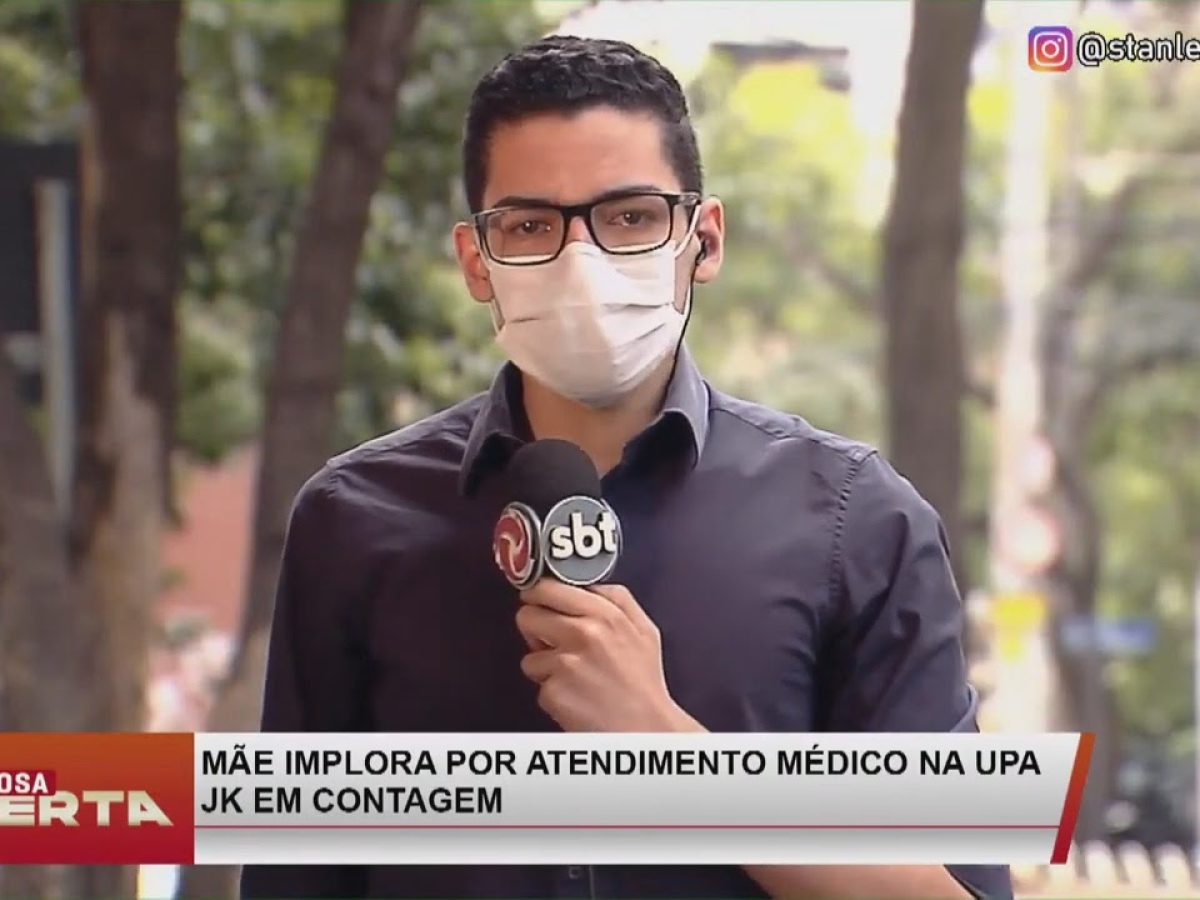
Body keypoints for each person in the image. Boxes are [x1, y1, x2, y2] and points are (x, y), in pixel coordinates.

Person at [242, 35, 1013, 900]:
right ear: (475, 261)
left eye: (631, 217)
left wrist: (670, 755)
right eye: (531, 225)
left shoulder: (854, 523)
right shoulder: (353, 520)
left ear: (703, 239)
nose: (582, 261)